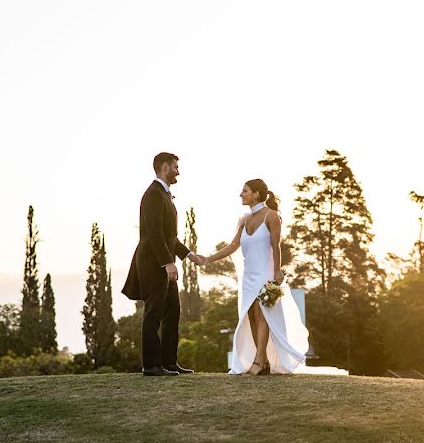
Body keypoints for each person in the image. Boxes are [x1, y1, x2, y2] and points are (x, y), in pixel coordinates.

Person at [197, 179, 309, 375]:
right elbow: (233, 246)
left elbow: (276, 246)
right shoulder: (244, 220)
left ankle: (258, 361)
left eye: (245, 191)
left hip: (265, 274)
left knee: (261, 313)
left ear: (256, 194)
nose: (241, 194)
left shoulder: (272, 216)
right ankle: (263, 360)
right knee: (250, 315)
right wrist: (208, 259)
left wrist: (277, 271)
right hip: (248, 277)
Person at [122, 152, 202, 376]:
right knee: (154, 312)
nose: (179, 171)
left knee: (173, 311)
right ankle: (150, 365)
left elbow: (170, 237)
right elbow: (155, 234)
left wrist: (188, 255)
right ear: (165, 167)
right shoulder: (153, 194)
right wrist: (167, 263)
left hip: (164, 261)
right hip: (151, 262)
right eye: (176, 167)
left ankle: (168, 362)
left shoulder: (165, 195)